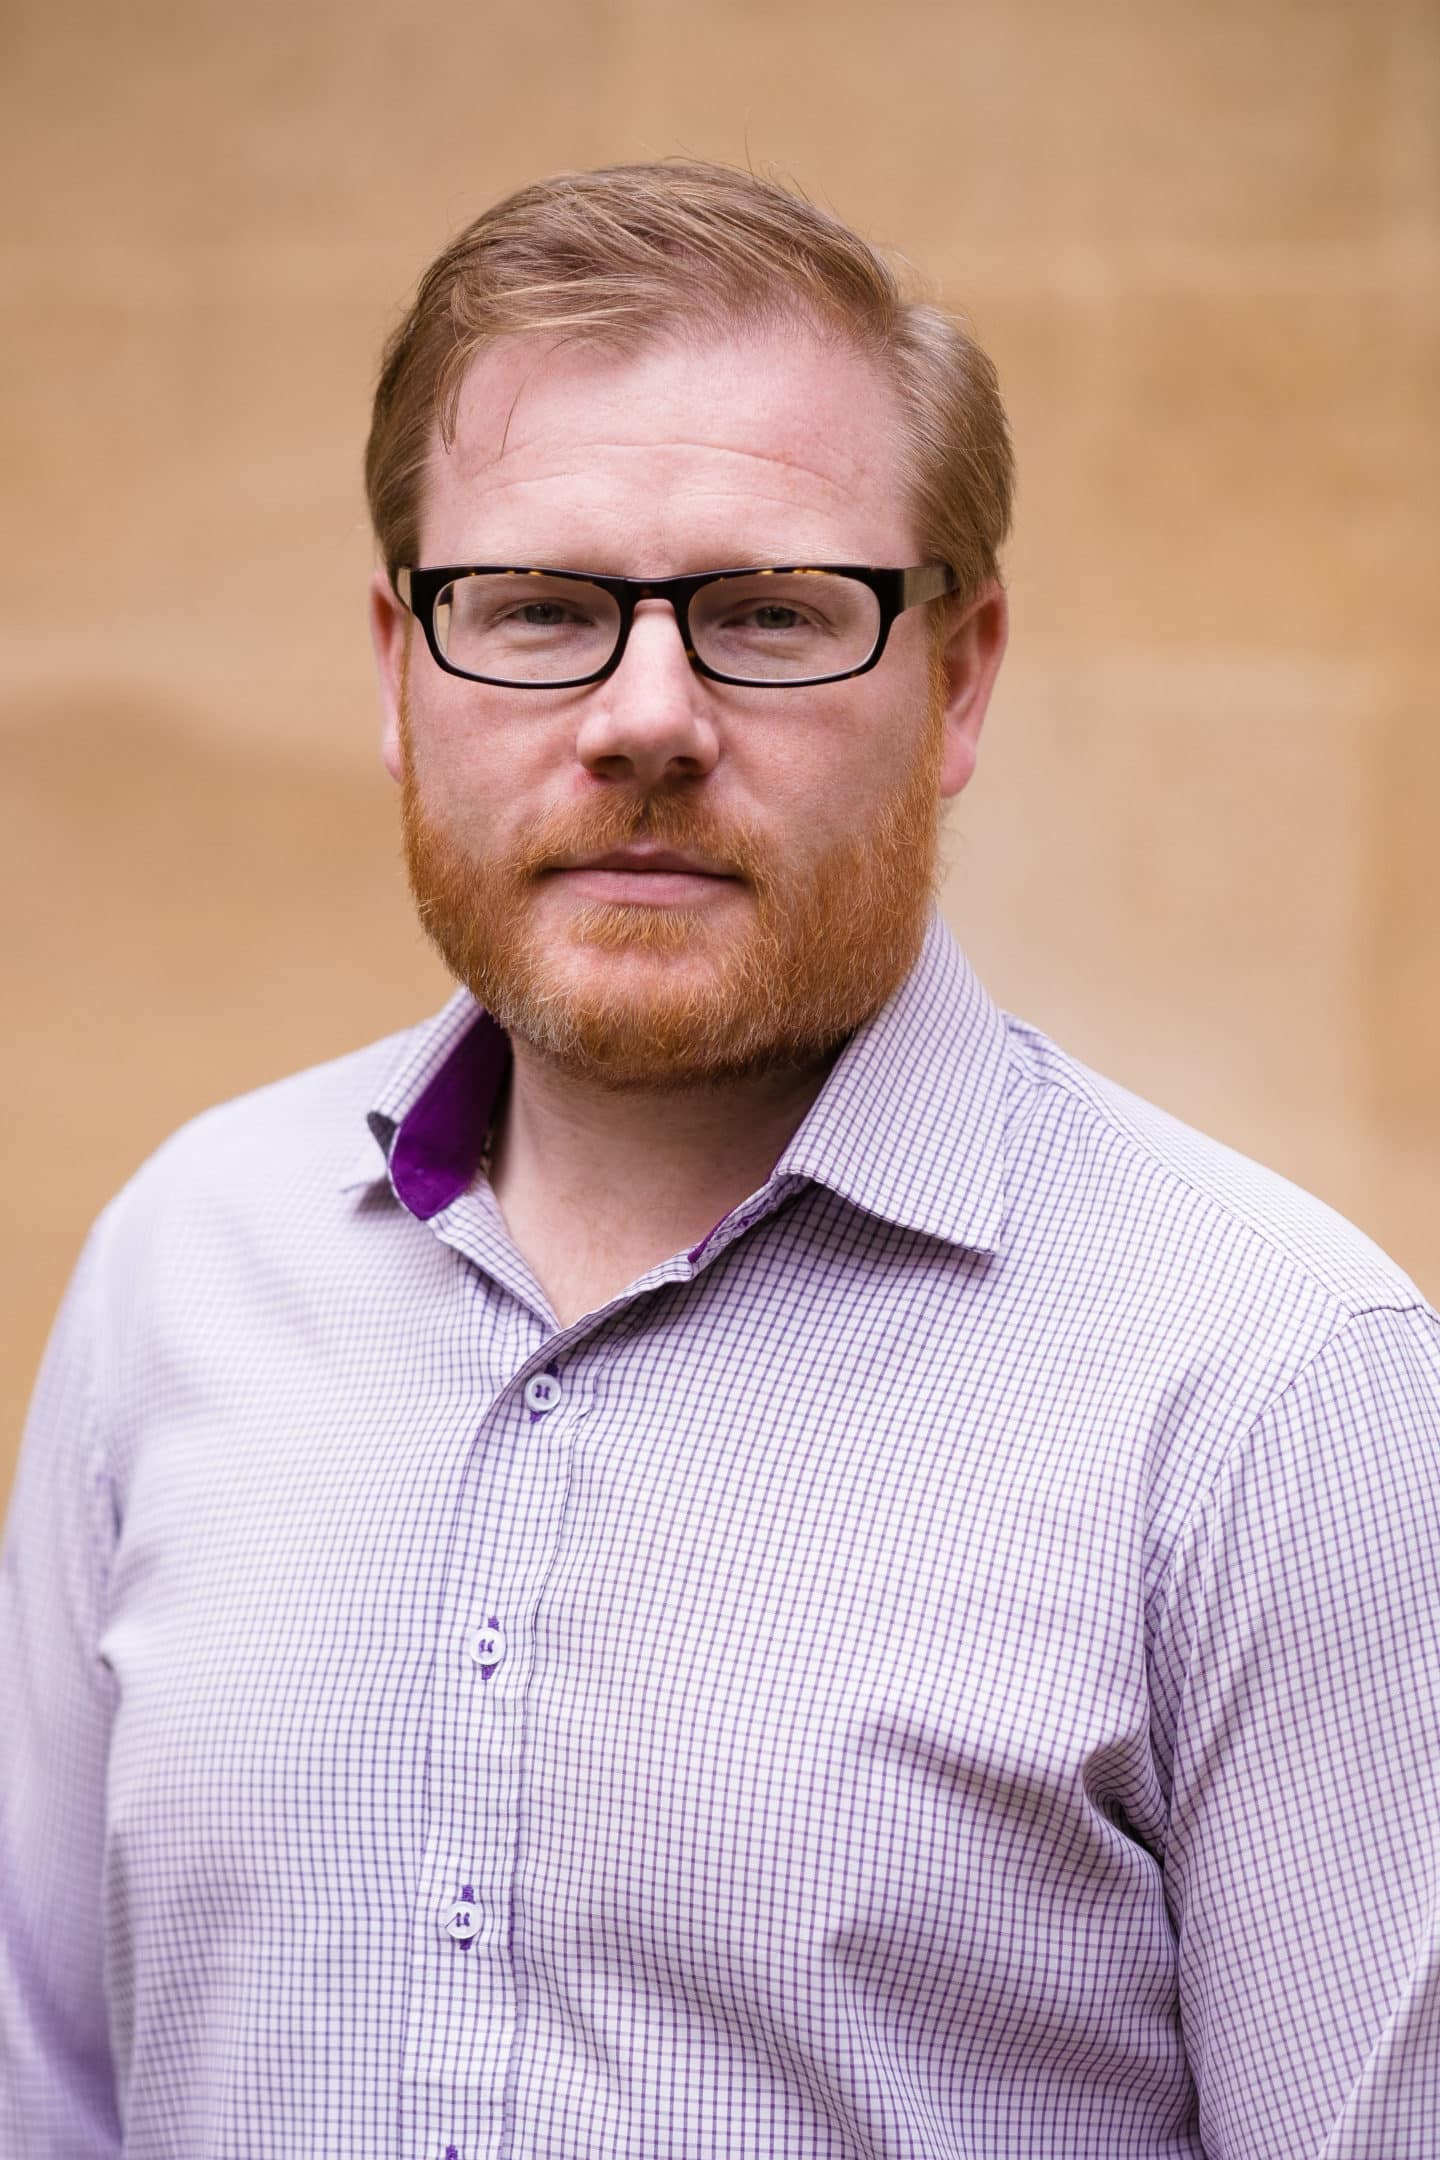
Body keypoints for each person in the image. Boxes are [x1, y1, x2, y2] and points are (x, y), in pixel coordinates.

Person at [2, 159, 1438, 2160]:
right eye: (536, 610)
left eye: (772, 612)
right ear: (398, 673)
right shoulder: (183, 1265)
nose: (647, 717)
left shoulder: (1282, 1393)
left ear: (963, 673)